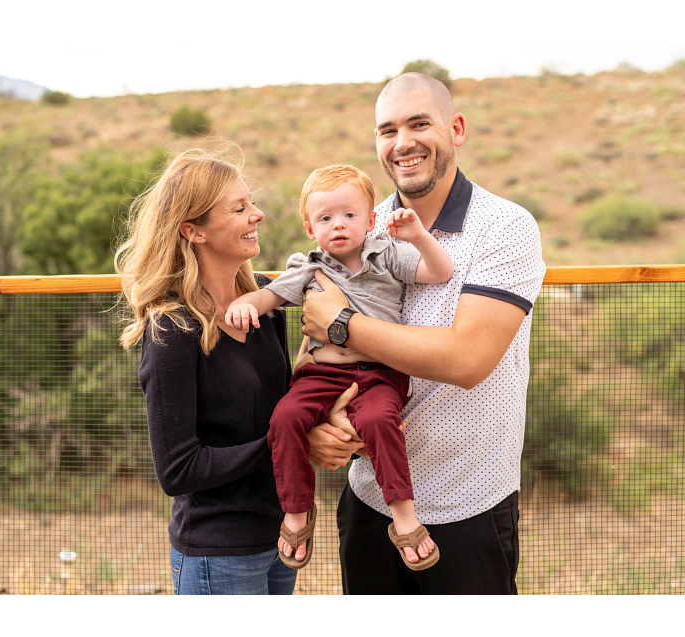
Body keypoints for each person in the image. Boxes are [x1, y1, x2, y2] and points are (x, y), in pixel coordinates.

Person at [301, 73, 547, 594]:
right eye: (387, 130)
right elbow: (312, 347)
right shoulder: (357, 225)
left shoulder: (505, 227)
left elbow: (466, 360)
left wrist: (344, 325)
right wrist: (320, 425)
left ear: (456, 128)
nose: (402, 143)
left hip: (471, 506)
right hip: (369, 502)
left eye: (419, 124)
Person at [113, 148, 354, 595]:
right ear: (193, 230)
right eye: (239, 208)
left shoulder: (266, 300)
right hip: (216, 553)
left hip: (281, 536)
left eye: (252, 203)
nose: (257, 214)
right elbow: (178, 470)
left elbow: (282, 408)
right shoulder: (172, 329)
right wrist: (292, 441)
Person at [224, 165, 453, 571]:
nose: (339, 224)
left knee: (381, 421)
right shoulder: (309, 266)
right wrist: (247, 303)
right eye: (325, 218)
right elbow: (271, 296)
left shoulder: (387, 254)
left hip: (381, 372)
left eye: (349, 215)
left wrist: (418, 236)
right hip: (322, 375)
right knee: (286, 417)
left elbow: (440, 272)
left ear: (371, 220)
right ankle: (297, 510)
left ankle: (403, 516)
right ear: (311, 229)